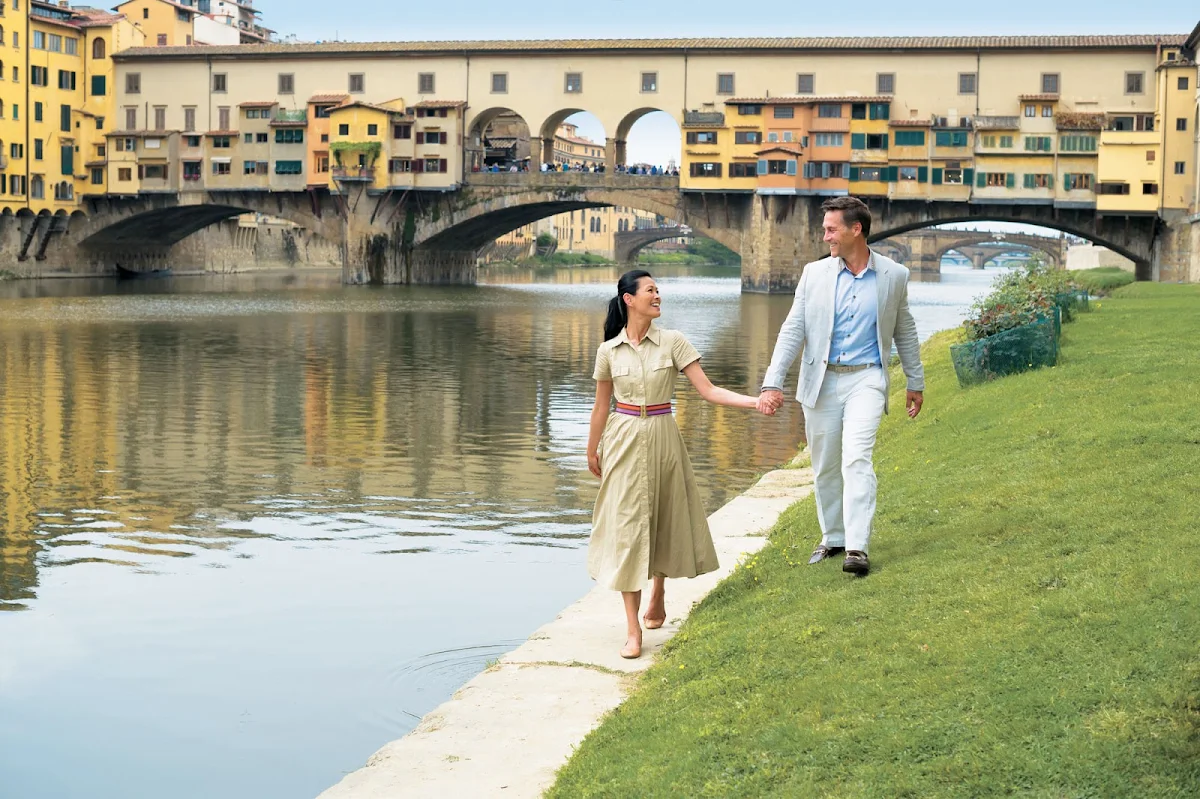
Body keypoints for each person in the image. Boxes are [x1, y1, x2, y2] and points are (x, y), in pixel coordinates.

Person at [588, 269, 770, 658]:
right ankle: (633, 629)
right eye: (650, 290)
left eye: (658, 290)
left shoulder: (673, 342)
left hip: (662, 437)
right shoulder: (608, 350)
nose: (658, 296)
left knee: (663, 517)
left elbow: (709, 391)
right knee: (626, 529)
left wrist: (755, 402)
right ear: (629, 299)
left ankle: (659, 588)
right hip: (620, 441)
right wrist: (591, 449)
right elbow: (601, 405)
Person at [758, 196, 925, 576]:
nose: (825, 236)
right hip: (821, 379)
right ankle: (833, 537)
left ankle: (857, 548)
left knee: (857, 458)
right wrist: (772, 382)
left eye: (831, 229)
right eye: (825, 229)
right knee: (825, 466)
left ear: (856, 229)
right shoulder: (813, 274)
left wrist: (915, 381)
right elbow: (792, 331)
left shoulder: (893, 276)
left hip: (867, 377)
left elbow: (905, 330)